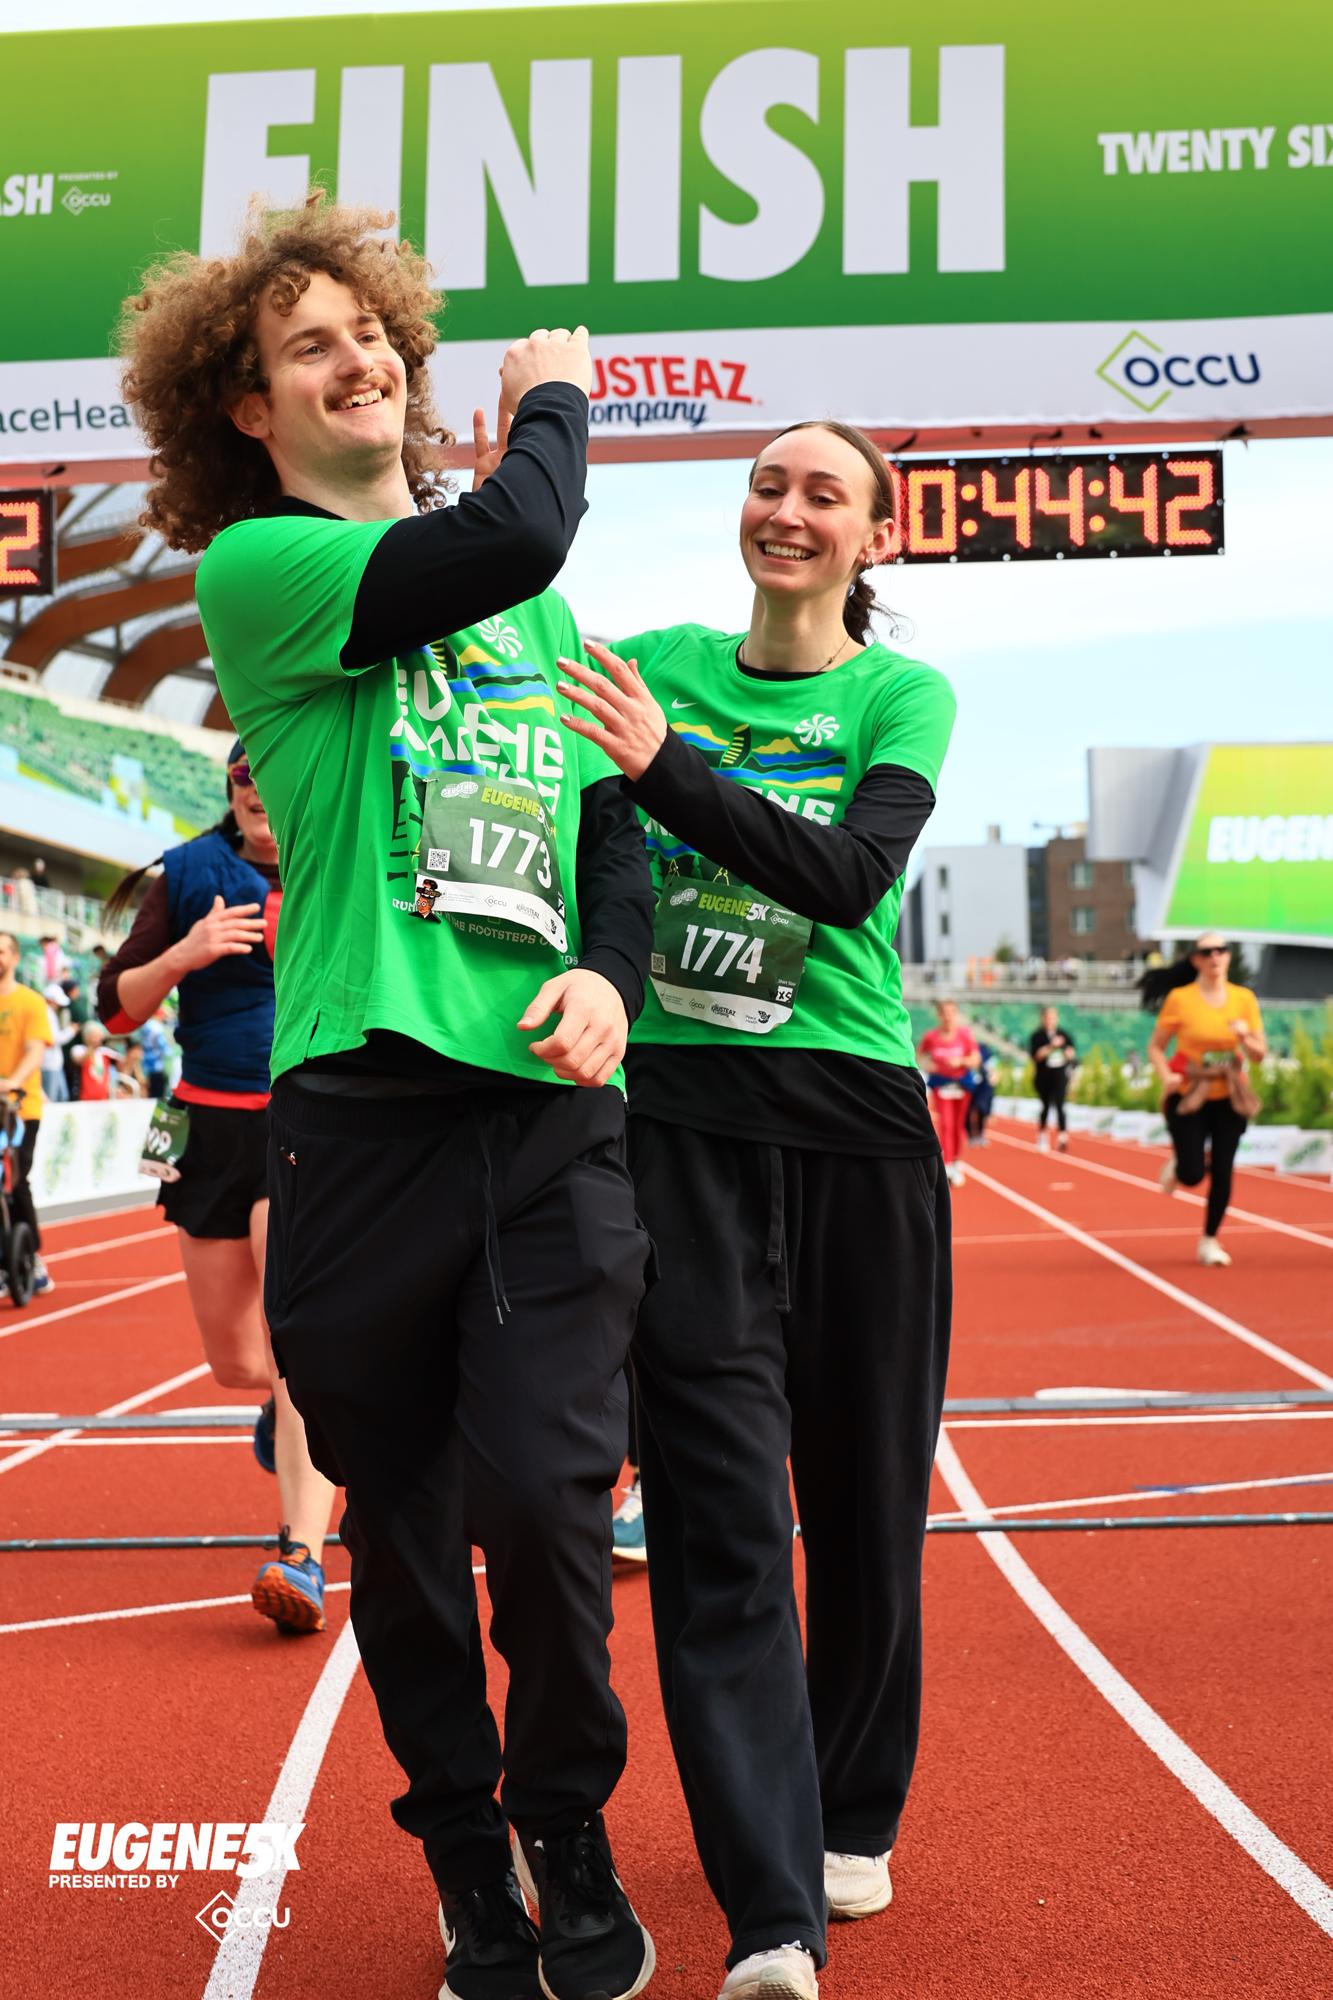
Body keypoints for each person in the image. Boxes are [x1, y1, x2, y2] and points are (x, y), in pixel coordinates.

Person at [123, 195, 656, 2000]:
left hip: (542, 1125)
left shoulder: (531, 605)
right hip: (358, 1124)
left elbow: (608, 839)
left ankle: (565, 1821)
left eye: (371, 332)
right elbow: (516, 525)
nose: (357, 358)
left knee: (552, 1511)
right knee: (409, 1541)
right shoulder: (261, 570)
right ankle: (463, 1857)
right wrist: (554, 406)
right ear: (249, 410)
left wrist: (611, 977)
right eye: (309, 345)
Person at [556, 418, 955, 2000]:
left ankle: (852, 1810)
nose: (785, 510)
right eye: (767, 484)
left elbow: (848, 877)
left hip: (858, 1135)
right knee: (718, 1521)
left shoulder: (896, 696)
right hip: (680, 1132)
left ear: (874, 536)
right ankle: (770, 1912)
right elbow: (564, 775)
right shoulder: (653, 661)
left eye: (822, 494)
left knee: (863, 1503)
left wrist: (669, 764)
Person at [99, 745, 337, 1634]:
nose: (258, 791)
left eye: (272, 774)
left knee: (292, 1342)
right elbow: (113, 1011)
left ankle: (300, 1553)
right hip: (205, 1128)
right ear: (230, 789)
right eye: (244, 778)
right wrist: (185, 954)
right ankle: (293, 1409)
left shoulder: (339, 856)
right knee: (237, 1362)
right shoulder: (186, 874)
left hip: (302, 1124)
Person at [1143, 935, 1266, 1266]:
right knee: (1193, 1174)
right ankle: (1183, 1163)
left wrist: (1245, 1036)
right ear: (1195, 960)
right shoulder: (1181, 999)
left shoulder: (1244, 999)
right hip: (1189, 1095)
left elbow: (1259, 1054)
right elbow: (1156, 1047)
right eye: (1207, 952)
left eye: (1221, 950)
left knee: (1224, 1171)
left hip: (1229, 1097)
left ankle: (1210, 1240)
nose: (1215, 956)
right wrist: (1165, 1075)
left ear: (1228, 957)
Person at [0, 930, 56, 1298]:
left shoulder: (30, 1002)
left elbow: (36, 1050)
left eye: (2, 951)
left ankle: (31, 1257)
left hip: (19, 1108)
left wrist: (12, 1083)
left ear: (15, 957)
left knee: (15, 1179)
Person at [917, 998, 980, 1188]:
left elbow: (975, 1059)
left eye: (951, 1012)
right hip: (941, 1086)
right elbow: (919, 1056)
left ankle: (956, 1161)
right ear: (939, 1015)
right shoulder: (931, 1037)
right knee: (946, 1124)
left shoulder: (965, 1035)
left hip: (961, 1086)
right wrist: (928, 1065)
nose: (948, 1016)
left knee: (958, 1126)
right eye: (944, 1012)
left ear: (957, 1014)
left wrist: (961, 1062)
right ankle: (946, 1164)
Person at [1029, 1006, 1078, 1152]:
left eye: (1053, 1017)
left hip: (1060, 1075)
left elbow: (1071, 1053)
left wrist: (1065, 1050)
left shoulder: (1064, 1035)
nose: (1050, 1020)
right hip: (1043, 1075)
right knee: (1045, 1105)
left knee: (1060, 1104)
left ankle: (1062, 1136)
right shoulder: (1037, 1036)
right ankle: (1042, 1135)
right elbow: (1036, 1056)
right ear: (1043, 1018)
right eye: (1048, 1017)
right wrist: (1051, 1046)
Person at [965, 1038, 997, 1146]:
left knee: (981, 1109)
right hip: (967, 1085)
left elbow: (992, 1068)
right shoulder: (965, 1049)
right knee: (967, 1111)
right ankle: (970, 1135)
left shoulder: (986, 1052)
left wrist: (993, 1077)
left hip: (982, 1086)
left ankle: (980, 1134)